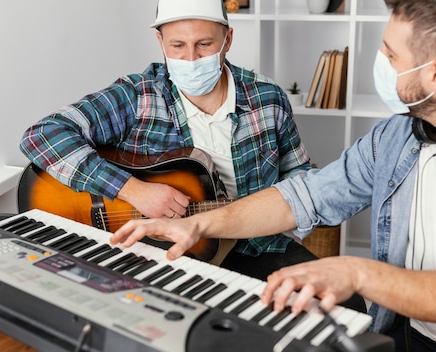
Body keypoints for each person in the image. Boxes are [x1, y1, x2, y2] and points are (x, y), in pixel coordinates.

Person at [110, 0, 436, 350]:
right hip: (405, 334)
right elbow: (305, 195)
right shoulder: (397, 136)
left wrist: (354, 272)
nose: (381, 63)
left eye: (390, 54)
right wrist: (198, 224)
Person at [19, 0, 370, 313]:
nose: (190, 58)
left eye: (204, 45)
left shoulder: (268, 98)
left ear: (227, 40)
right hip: (161, 254)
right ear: (160, 43)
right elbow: (42, 136)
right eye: (177, 46)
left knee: (346, 307)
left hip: (256, 246)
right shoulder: (137, 94)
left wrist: (303, 208)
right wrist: (133, 191)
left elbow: (298, 176)